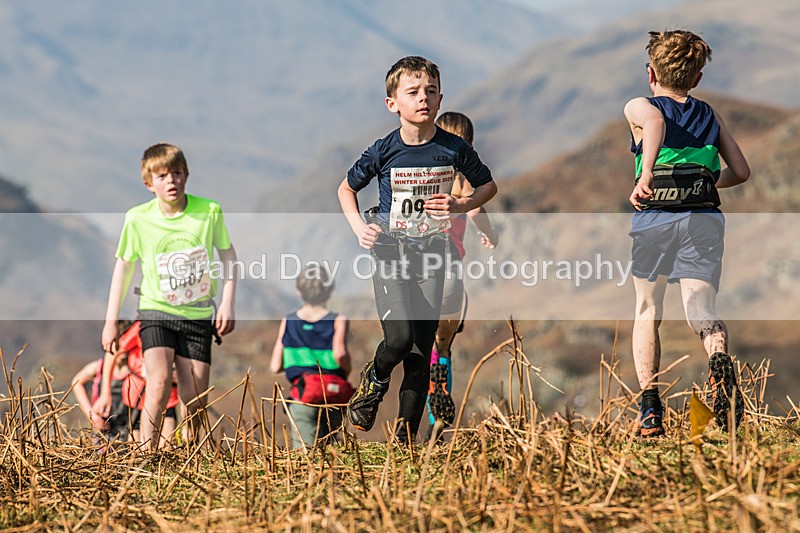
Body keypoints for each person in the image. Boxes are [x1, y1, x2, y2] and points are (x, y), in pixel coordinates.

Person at [338, 56, 497, 443]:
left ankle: (405, 443)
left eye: (431, 91)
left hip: (433, 257)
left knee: (421, 354)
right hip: (391, 255)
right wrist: (359, 228)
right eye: (413, 92)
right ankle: (375, 379)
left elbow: (488, 187)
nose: (423, 98)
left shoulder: (454, 148)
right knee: (398, 340)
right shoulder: (383, 150)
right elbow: (346, 189)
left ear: (441, 99)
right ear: (392, 103)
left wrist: (459, 204)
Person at [625, 30, 750, 437]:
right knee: (702, 308)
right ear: (697, 78)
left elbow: (654, 122)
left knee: (648, 310)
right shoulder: (710, 115)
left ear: (651, 73)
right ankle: (718, 361)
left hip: (656, 218)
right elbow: (741, 171)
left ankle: (650, 410)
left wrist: (647, 174)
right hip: (703, 218)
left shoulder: (640, 105)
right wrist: (707, 181)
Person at [101, 143, 238, 450]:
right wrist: (110, 322)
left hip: (198, 314)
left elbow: (229, 256)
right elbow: (123, 268)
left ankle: (191, 449)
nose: (171, 181)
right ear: (149, 183)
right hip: (156, 312)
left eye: (176, 173)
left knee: (194, 396)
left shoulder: (209, 211)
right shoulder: (137, 218)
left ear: (186, 175)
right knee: (159, 381)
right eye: (162, 176)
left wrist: (228, 303)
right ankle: (147, 452)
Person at [426, 112, 499, 441]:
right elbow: (475, 208)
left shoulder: (426, 175)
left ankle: (420, 415)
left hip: (419, 268)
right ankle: (437, 421)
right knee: (443, 348)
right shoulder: (462, 180)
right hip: (449, 271)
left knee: (421, 348)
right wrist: (490, 233)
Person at [270, 264, 353, 449]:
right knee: (333, 450)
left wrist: (297, 361)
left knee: (305, 453)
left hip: (302, 397)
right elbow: (340, 354)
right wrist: (347, 369)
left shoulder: (289, 321)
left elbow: (275, 365)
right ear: (329, 291)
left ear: (298, 292)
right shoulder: (338, 320)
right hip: (333, 395)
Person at [72, 320, 135, 443]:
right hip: (103, 432)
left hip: (131, 433)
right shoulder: (98, 368)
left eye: (126, 341)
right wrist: (92, 415)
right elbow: (76, 383)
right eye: (118, 341)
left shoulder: (136, 370)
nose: (122, 347)